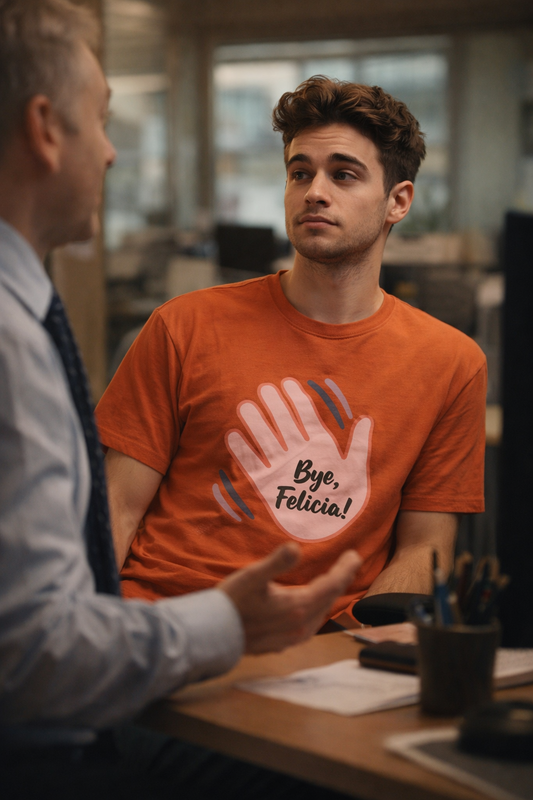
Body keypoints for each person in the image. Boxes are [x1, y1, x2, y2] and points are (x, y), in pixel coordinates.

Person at [0, 1, 361, 797]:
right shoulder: (15, 338)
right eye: (100, 120)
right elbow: (30, 654)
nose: (113, 153)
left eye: (343, 174)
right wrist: (226, 624)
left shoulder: (23, 316)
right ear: (44, 128)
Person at [96, 77, 487, 620]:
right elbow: (116, 508)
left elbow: (424, 546)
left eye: (343, 174)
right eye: (299, 172)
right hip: (165, 624)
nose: (314, 191)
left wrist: (365, 651)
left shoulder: (452, 364)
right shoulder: (183, 325)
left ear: (398, 201)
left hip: (325, 651)